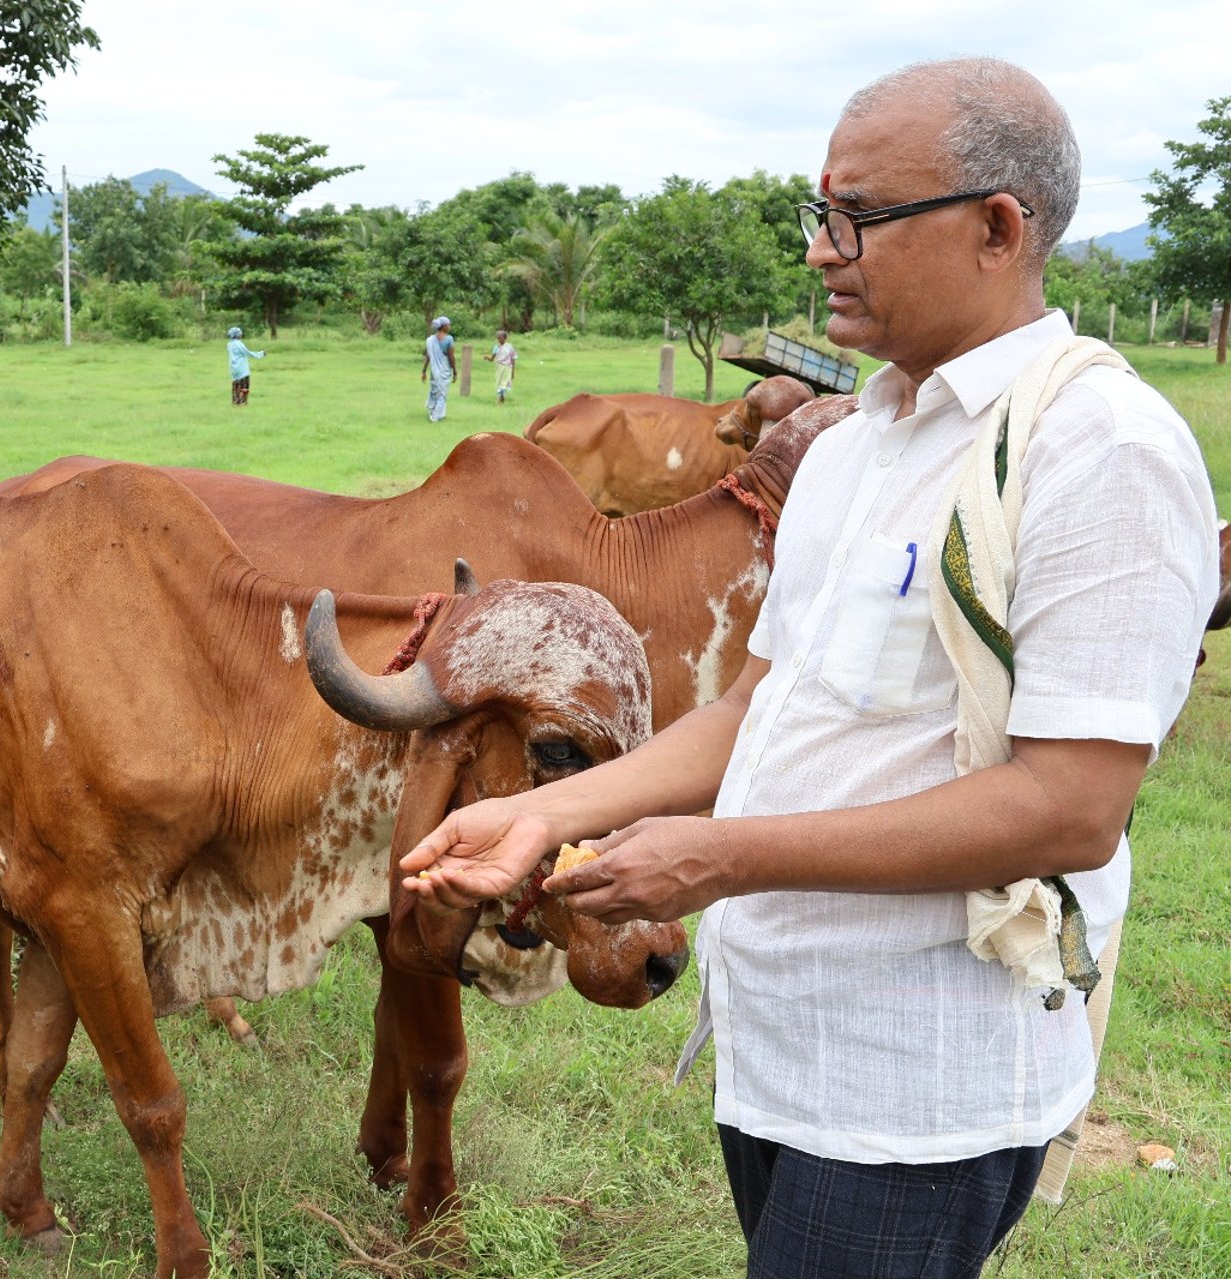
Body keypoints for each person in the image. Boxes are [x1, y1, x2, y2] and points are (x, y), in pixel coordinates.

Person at [401, 57, 1217, 1278]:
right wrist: (538, 811)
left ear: (1000, 226)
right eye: (818, 214)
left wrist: (717, 856)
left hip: (914, 1087)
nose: (823, 252)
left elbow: (1071, 805)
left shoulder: (1099, 449)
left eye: (860, 219)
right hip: (782, 1049)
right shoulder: (847, 446)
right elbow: (755, 705)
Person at [421, 316, 454, 422]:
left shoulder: (430, 340)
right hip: (444, 372)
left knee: (435, 391)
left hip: (434, 372)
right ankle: (435, 416)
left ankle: (434, 411)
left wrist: (424, 370)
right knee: (442, 394)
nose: (449, 327)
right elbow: (451, 357)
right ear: (443, 326)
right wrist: (455, 371)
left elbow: (428, 356)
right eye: (448, 325)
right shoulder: (449, 339)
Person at [226, 326, 264, 405]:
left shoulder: (229, 344)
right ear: (237, 335)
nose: (241, 335)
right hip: (242, 369)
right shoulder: (239, 344)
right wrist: (261, 354)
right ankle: (242, 403)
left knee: (236, 386)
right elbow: (248, 353)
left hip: (234, 369)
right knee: (244, 387)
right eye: (240, 333)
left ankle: (236, 402)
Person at [489, 328, 517, 404]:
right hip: (499, 367)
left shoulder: (509, 347)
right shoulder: (496, 347)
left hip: (507, 368)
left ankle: (500, 398)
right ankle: (501, 396)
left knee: (504, 383)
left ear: (505, 338)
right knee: (499, 383)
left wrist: (513, 371)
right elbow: (492, 358)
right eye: (497, 338)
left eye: (500, 338)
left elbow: (513, 358)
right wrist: (487, 358)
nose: (499, 340)